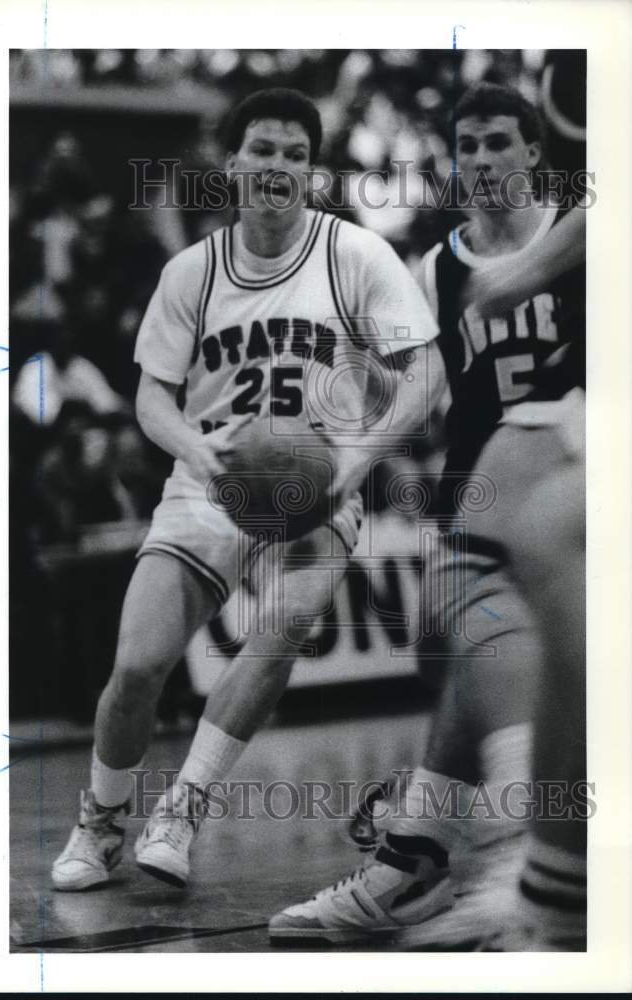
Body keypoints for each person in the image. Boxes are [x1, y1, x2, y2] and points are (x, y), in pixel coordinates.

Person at [51, 87, 444, 891]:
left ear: (312, 171)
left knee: (284, 627)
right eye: (262, 150)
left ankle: (184, 809)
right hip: (210, 478)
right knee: (136, 667)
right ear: (231, 164)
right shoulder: (190, 272)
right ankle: (101, 819)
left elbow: (424, 372)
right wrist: (197, 456)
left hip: (320, 481)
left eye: (295, 155)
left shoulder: (355, 255)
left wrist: (355, 464)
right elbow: (152, 397)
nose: (277, 167)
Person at [269, 81, 585, 944]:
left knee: (504, 648)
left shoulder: (584, 227)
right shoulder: (435, 271)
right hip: (473, 483)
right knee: (448, 664)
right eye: (468, 147)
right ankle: (439, 852)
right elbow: (417, 391)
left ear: (532, 151)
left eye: (496, 143)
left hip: (561, 462)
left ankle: (503, 855)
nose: (480, 161)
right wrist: (344, 421)